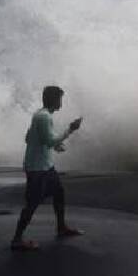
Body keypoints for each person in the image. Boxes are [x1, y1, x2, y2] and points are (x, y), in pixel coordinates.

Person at [10, 85, 84, 251]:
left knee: (59, 193)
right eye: (60, 99)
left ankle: (61, 227)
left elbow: (29, 137)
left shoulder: (39, 115)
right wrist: (70, 130)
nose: (61, 102)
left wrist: (55, 145)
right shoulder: (44, 117)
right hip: (38, 168)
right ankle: (16, 239)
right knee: (32, 203)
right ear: (54, 100)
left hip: (46, 166)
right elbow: (48, 140)